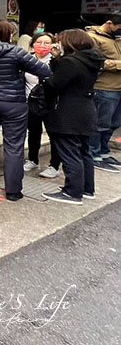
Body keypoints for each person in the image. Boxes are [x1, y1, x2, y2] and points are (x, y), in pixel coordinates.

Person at [0, 20, 51, 201]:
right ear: (6, 34)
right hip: (13, 104)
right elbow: (44, 70)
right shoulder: (15, 51)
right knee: (14, 146)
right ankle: (13, 191)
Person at [42, 30, 104, 204]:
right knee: (84, 152)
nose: (58, 44)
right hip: (86, 110)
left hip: (68, 112)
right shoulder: (92, 60)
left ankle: (72, 192)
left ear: (69, 42)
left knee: (70, 153)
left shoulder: (70, 62)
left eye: (60, 41)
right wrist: (57, 59)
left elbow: (55, 84)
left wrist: (47, 77)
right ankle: (87, 189)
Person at [22, 32, 61, 178]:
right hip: (30, 103)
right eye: (39, 42)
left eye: (46, 43)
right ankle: (33, 159)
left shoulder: (56, 60)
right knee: (33, 133)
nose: (42, 46)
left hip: (49, 103)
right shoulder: (27, 59)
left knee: (53, 134)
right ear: (33, 44)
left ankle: (54, 165)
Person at [85, 15, 121, 173]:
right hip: (104, 87)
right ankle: (93, 154)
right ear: (109, 23)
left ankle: (103, 151)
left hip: (118, 87)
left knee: (114, 123)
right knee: (100, 123)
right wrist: (119, 65)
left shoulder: (117, 38)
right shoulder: (92, 38)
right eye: (119, 26)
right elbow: (95, 62)